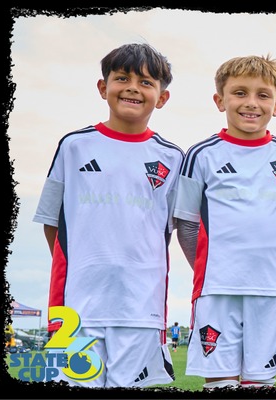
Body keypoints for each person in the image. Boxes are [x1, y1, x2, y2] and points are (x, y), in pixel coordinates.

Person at [32, 43, 180, 388]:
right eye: (122, 78)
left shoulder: (173, 157)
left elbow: (172, 227)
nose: (133, 88)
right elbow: (52, 222)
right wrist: (83, 266)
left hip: (141, 306)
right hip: (77, 305)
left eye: (146, 82)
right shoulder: (74, 146)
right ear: (103, 87)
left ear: (162, 97)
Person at [175, 55, 276, 389]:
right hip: (217, 289)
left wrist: (262, 262)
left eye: (263, 95)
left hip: (272, 289)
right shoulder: (201, 154)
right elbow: (186, 225)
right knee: (220, 381)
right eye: (240, 93)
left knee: (261, 382)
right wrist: (211, 268)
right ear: (220, 101)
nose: (251, 103)